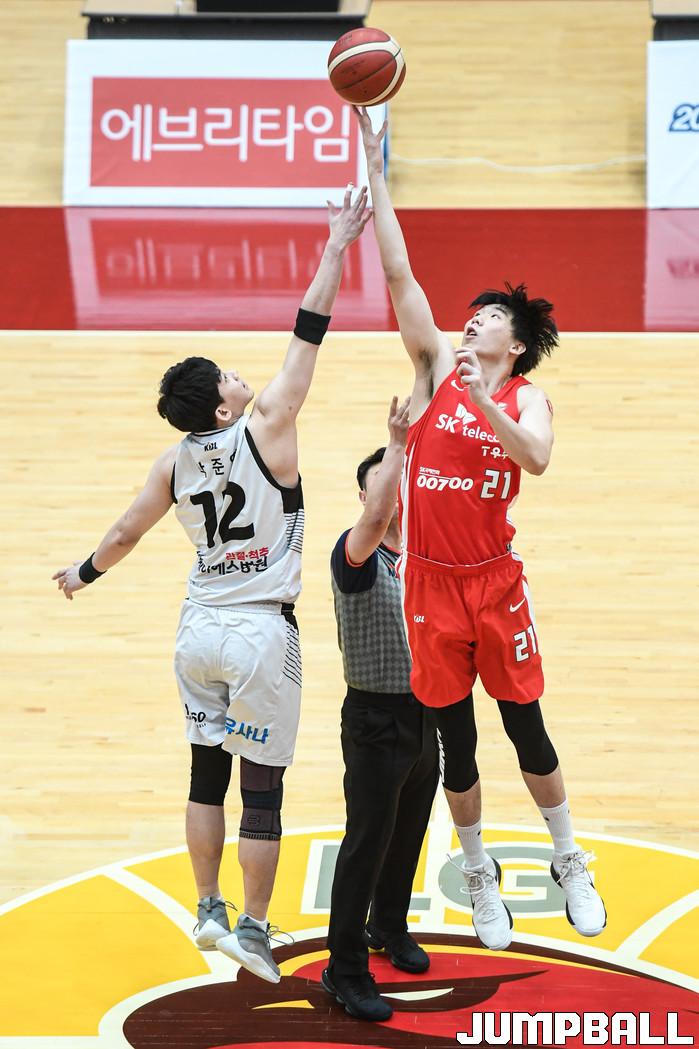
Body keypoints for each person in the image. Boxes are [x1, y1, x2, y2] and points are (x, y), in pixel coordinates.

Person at [52, 187, 372, 985]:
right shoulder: (269, 424)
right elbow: (309, 329)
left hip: (196, 629)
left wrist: (82, 573)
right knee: (261, 791)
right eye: (228, 374)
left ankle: (206, 907)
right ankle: (255, 929)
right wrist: (337, 244)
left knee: (205, 772)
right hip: (260, 632)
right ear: (224, 406)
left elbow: (124, 533)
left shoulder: (173, 463)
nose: (239, 373)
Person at [353, 106, 606, 953]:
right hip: (428, 582)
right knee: (453, 745)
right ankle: (476, 871)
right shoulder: (433, 366)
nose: (472, 321)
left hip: (493, 581)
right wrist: (374, 164)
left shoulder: (523, 397)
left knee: (524, 726)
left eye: (489, 316)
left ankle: (568, 857)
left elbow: (535, 458)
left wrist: (479, 400)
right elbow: (398, 271)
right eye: (470, 315)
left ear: (516, 343)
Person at [322, 396, 439, 1023]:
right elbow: (374, 516)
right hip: (374, 719)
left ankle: (387, 925)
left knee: (409, 830)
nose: (394, 494)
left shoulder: (424, 556)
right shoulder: (355, 554)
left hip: (426, 714)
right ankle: (343, 971)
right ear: (368, 496)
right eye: (383, 486)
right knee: (366, 841)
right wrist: (397, 444)